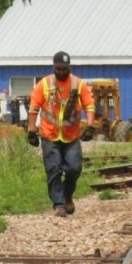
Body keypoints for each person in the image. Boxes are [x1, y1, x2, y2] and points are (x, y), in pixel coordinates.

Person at [26, 51, 96, 217]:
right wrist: (31, 131)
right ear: (54, 68)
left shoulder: (78, 85)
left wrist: (90, 126)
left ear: (69, 68)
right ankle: (59, 205)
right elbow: (33, 109)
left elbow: (89, 106)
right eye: (59, 69)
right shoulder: (44, 84)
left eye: (65, 69)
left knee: (74, 168)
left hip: (71, 135)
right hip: (49, 135)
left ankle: (67, 195)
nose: (62, 72)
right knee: (53, 169)